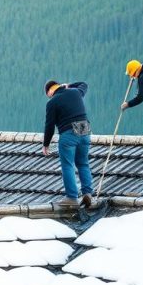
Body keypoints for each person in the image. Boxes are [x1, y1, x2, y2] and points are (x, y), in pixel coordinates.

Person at [42, 80, 94, 208]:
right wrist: (69, 85)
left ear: (50, 91)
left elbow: (49, 125)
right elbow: (84, 84)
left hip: (68, 132)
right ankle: (87, 193)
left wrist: (46, 144)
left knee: (68, 165)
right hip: (84, 129)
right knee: (83, 163)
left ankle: (72, 197)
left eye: (48, 94)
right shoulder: (75, 92)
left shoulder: (52, 102)